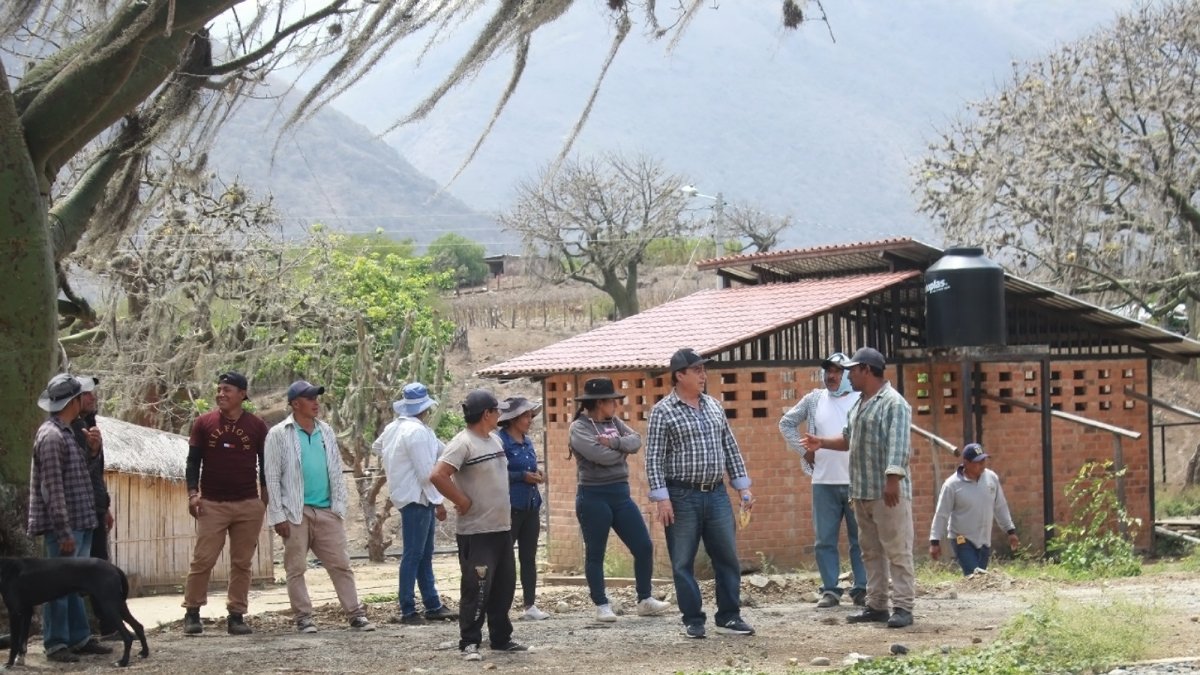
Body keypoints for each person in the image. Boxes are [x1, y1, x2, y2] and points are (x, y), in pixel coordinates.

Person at [802, 347, 916, 628]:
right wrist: (822, 443)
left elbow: (899, 445)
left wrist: (892, 481)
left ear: (866, 370)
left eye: (852, 370)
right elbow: (848, 439)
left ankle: (903, 607)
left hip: (886, 493)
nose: (847, 376)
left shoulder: (894, 403)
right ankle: (876, 605)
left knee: (897, 550)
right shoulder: (860, 403)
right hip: (862, 491)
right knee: (870, 551)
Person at [646, 348, 755, 640]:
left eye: (703, 370)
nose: (703, 376)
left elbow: (730, 447)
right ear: (679, 375)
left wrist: (742, 486)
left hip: (717, 493)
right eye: (696, 371)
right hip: (681, 496)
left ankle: (729, 616)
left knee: (727, 557)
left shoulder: (714, 406)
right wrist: (662, 498)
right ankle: (693, 619)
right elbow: (654, 458)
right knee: (683, 561)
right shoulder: (663, 411)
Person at [264, 380, 375, 633]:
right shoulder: (279, 434)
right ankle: (304, 617)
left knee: (341, 564)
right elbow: (271, 477)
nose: (316, 402)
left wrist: (339, 508)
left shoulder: (325, 430)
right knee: (296, 568)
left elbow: (336, 469)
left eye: (316, 397)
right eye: (309, 398)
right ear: (295, 404)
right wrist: (277, 515)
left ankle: (355, 614)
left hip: (327, 509)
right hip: (295, 510)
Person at [430, 390, 526, 661]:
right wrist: (461, 500)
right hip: (477, 531)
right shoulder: (463, 443)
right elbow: (438, 475)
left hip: (501, 528)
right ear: (486, 414)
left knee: (504, 586)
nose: (500, 415)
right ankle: (469, 641)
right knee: (477, 588)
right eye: (497, 411)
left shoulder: (494, 440)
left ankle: (501, 638)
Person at [570, 378, 672, 623]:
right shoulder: (579, 427)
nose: (616, 405)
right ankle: (602, 604)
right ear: (599, 403)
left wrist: (615, 443)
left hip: (620, 494)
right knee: (596, 553)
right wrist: (621, 452)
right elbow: (599, 456)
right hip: (593, 496)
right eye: (612, 401)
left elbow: (636, 441)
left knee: (643, 546)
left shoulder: (613, 423)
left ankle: (645, 599)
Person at [28, 373, 110, 663]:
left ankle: (79, 637)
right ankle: (56, 642)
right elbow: (52, 488)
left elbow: (76, 475)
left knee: (76, 584)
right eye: (80, 397)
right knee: (58, 586)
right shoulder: (51, 436)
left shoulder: (67, 431)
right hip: (66, 526)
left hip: (81, 520)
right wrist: (62, 532)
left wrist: (92, 451)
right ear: (73, 401)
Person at [182, 372, 269, 636]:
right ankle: (192, 613)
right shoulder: (203, 423)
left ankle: (236, 616)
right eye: (218, 389)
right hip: (212, 503)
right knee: (203, 560)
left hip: (247, 503)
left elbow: (265, 463)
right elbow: (193, 461)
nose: (220, 394)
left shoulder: (256, 426)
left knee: (242, 562)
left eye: (227, 390)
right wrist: (192, 493)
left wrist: (264, 497)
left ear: (242, 394)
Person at [778, 352, 867, 608]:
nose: (832, 375)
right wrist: (804, 450)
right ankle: (830, 589)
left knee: (859, 539)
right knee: (824, 539)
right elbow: (786, 423)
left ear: (848, 373)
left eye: (838, 371)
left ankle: (861, 588)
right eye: (828, 370)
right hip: (823, 481)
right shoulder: (815, 399)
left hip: (855, 480)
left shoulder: (860, 399)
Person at [374, 382, 457, 625]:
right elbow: (426, 474)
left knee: (421, 553)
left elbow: (377, 447)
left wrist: (396, 465)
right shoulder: (418, 432)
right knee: (415, 554)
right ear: (425, 408)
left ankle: (431, 603)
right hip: (418, 496)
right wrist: (440, 501)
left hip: (405, 494)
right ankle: (408, 608)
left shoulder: (394, 428)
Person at [69, 375, 120, 639]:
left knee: (100, 565)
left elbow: (97, 473)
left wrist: (106, 505)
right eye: (87, 394)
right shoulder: (71, 429)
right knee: (87, 570)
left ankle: (108, 624)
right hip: (78, 512)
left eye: (93, 393)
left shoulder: (91, 425)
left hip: (96, 507)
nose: (93, 397)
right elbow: (77, 473)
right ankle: (103, 625)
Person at [497, 396, 550, 621]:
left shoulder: (527, 441)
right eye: (526, 416)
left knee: (529, 557)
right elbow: (496, 474)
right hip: (510, 507)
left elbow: (531, 467)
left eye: (530, 416)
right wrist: (521, 476)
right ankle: (501, 604)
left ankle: (530, 604)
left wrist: (538, 476)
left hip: (530, 505)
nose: (530, 420)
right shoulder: (499, 442)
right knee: (504, 558)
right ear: (513, 419)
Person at [930, 443, 1020, 576]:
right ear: (966, 463)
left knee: (979, 580)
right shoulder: (952, 485)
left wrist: (1010, 531)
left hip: (984, 540)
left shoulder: (991, 478)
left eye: (984, 461)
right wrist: (934, 541)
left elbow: (1000, 506)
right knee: (975, 575)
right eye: (978, 462)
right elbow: (941, 514)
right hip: (961, 539)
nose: (982, 465)